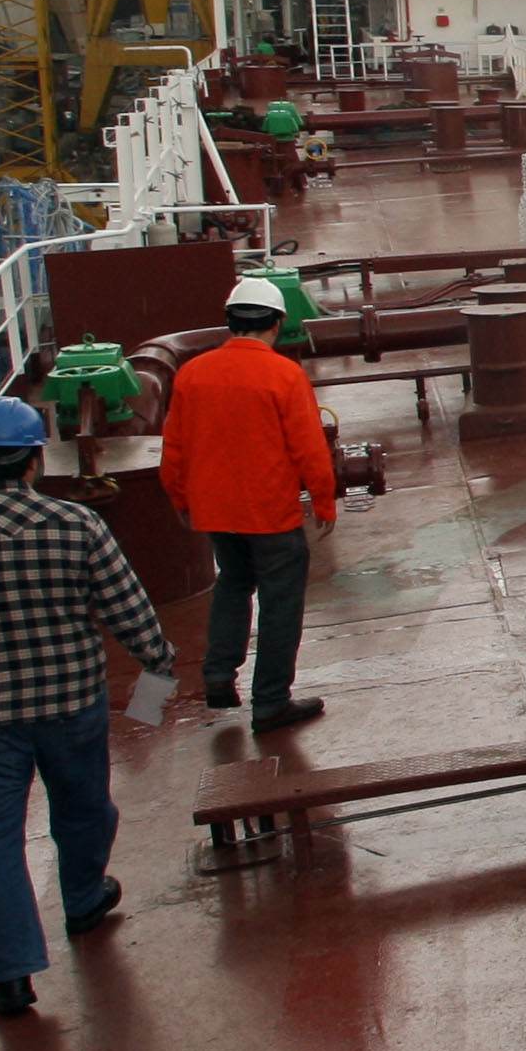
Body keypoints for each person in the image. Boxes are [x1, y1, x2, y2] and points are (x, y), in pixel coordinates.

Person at [0, 397, 176, 1023]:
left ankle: (12, 974)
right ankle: (82, 897)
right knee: (85, 808)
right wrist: (157, 662)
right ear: (35, 461)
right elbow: (129, 609)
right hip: (72, 704)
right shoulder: (77, 525)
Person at [159, 276, 342, 732]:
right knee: (280, 602)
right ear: (277, 324)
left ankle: (219, 675)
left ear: (229, 321)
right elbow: (309, 448)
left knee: (233, 584)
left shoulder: (192, 374)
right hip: (270, 514)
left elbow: (174, 448)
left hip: (216, 512)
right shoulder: (284, 375)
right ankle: (271, 702)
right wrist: (324, 501)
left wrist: (181, 498)